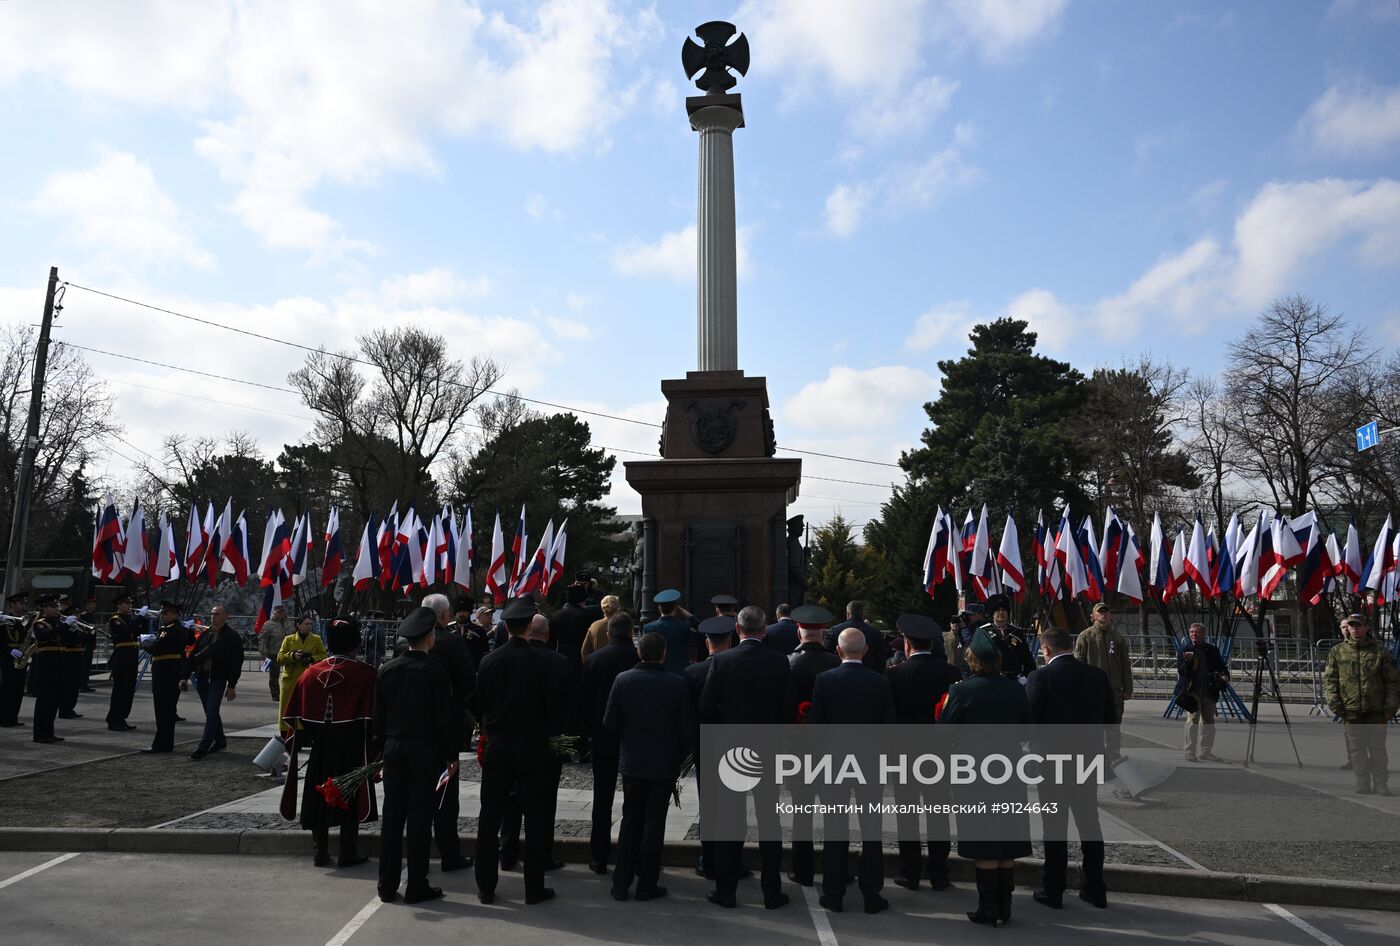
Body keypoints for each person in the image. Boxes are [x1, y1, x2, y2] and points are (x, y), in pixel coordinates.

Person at [698, 604, 792, 911]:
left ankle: (726, 891)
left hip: (732, 751)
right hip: (768, 749)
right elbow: (786, 711)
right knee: (769, 821)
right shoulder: (779, 661)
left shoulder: (721, 661)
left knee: (730, 821)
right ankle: (771, 891)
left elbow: (706, 709)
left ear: (737, 629)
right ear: (764, 630)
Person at [940, 628, 1033, 926]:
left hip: (975, 772)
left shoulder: (961, 691)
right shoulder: (1015, 689)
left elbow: (945, 732)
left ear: (972, 660)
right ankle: (1005, 907)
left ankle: (988, 908)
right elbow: (1026, 729)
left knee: (984, 838)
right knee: (1007, 837)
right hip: (1009, 769)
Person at [474, 596, 560, 905]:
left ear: (507, 627)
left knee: (490, 816)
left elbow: (479, 705)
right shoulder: (542, 662)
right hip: (532, 746)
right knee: (535, 818)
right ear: (528, 628)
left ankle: (486, 885)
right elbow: (552, 709)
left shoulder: (489, 661)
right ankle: (534, 888)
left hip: (498, 744)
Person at [1025, 627, 1117, 910]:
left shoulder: (1040, 677)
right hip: (1087, 759)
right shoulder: (1097, 676)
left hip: (1052, 762)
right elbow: (1110, 719)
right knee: (1089, 824)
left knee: (1054, 826)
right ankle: (1095, 888)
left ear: (1046, 649)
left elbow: (1029, 720)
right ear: (1071, 646)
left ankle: (1053, 889)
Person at [807, 627, 897, 915]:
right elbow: (889, 729)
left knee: (835, 828)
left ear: (838, 651)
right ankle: (871, 894)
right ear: (866, 651)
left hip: (834, 763)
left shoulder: (824, 680)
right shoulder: (880, 682)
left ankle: (833, 893)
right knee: (871, 829)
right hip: (869, 763)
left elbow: (815, 727)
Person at [375, 607, 458, 904]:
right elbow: (444, 719)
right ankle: (417, 883)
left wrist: (379, 753)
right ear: (430, 637)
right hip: (425, 750)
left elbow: (378, 717)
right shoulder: (435, 671)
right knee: (420, 817)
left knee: (392, 816)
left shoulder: (387, 669)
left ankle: (386, 884)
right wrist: (451, 755)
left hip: (394, 747)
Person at [604, 631, 693, 902]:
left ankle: (621, 882)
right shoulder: (676, 684)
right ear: (664, 654)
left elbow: (610, 722)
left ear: (639, 653)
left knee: (630, 819)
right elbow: (686, 728)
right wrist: (678, 755)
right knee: (654, 824)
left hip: (633, 761)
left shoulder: (623, 680)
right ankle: (647, 883)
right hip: (663, 763)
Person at [281, 618, 377, 868]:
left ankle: (320, 851)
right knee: (350, 794)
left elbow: (296, 716)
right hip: (351, 745)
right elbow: (373, 717)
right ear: (355, 643)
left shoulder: (311, 673)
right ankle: (348, 851)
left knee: (318, 795)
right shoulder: (365, 673)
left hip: (320, 745)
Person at [393, 592, 476, 872]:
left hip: (405, 727)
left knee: (408, 799)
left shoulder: (401, 642)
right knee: (444, 797)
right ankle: (449, 853)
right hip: (442, 730)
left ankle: (412, 860)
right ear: (443, 615)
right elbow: (468, 684)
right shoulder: (452, 642)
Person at [887, 613, 961, 892]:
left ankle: (910, 872)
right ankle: (939, 873)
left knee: (907, 815)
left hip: (904, 754)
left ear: (907, 645)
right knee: (938, 813)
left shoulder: (894, 674)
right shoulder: (951, 674)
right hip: (938, 754)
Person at [500, 614, 574, 873]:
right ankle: (541, 854)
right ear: (547, 634)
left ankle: (507, 850)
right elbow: (568, 703)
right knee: (544, 802)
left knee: (511, 800)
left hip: (510, 739)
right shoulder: (559, 662)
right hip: (547, 740)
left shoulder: (501, 658)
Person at [579, 611, 640, 875]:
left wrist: (589, 733)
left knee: (602, 799)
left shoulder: (594, 660)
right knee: (635, 802)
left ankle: (599, 856)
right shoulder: (639, 659)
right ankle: (632, 857)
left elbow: (585, 702)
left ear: (608, 633)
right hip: (633, 739)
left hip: (603, 736)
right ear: (631, 633)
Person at [785, 604, 839, 887]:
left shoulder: (787, 663)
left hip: (798, 747)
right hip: (831, 747)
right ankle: (836, 869)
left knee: (801, 812)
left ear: (799, 632)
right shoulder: (836, 663)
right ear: (823, 632)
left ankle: (802, 869)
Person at [1324, 613, 1400, 796]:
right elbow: (1330, 681)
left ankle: (1381, 783)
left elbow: (1392, 682)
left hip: (1376, 710)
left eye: (1358, 625)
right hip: (1350, 710)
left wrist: (1391, 707)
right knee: (1357, 749)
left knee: (1377, 749)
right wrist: (1335, 705)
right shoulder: (1337, 652)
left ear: (1366, 627)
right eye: (1351, 625)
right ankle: (1362, 782)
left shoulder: (1380, 652)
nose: (1354, 629)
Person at [686, 616, 737, 881]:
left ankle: (709, 860)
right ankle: (733, 861)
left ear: (707, 643)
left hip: (705, 745)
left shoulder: (692, 673)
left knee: (708, 806)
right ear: (730, 641)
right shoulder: (739, 670)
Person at [1074, 603, 1132, 761]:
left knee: (1114, 725)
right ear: (1092, 616)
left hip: (1114, 690)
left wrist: (1128, 688)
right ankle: (1095, 755)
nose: (1103, 615)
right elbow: (1078, 664)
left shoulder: (1117, 638)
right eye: (1100, 612)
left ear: (1110, 616)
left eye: (1106, 612)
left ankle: (1113, 755)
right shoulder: (1085, 637)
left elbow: (1125, 664)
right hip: (1093, 691)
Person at [187, 605, 242, 760]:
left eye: (217, 614)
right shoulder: (205, 634)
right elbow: (194, 655)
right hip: (202, 677)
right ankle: (220, 740)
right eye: (212, 614)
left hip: (217, 679)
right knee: (210, 713)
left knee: (211, 712)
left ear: (225, 616)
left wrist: (232, 685)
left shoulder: (232, 636)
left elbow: (236, 662)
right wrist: (184, 676)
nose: (213, 616)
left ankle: (203, 746)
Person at [142, 600, 192, 754]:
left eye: (165, 613)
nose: (162, 615)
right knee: (167, 711)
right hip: (170, 672)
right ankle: (165, 743)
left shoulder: (170, 630)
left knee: (163, 710)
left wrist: (145, 642)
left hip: (165, 673)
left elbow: (156, 648)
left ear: (174, 614)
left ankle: (161, 744)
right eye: (161, 613)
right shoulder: (176, 629)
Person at [1177, 622, 1229, 762]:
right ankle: (1190, 751)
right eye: (1192, 632)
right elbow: (1181, 671)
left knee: (1208, 722)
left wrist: (1225, 675)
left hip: (1209, 690)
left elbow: (1221, 666)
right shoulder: (1184, 650)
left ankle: (1205, 752)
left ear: (1204, 634)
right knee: (1192, 720)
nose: (1194, 634)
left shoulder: (1212, 650)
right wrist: (1187, 661)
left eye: (1197, 632)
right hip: (1192, 690)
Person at [278, 614, 327, 738]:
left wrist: (311, 658)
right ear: (298, 625)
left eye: (311, 624)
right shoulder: (288, 639)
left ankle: (304, 735)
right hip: (290, 678)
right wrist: (293, 656)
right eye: (306, 624)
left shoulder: (316, 639)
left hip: (308, 678)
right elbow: (280, 657)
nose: (309, 626)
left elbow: (323, 655)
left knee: (306, 706)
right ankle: (286, 733)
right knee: (287, 707)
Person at [29, 594, 65, 743]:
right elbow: (45, 636)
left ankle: (49, 731)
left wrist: (73, 628)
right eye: (53, 606)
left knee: (54, 699)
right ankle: (40, 734)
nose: (57, 609)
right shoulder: (40, 623)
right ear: (44, 607)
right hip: (46, 662)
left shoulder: (57, 622)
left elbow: (68, 638)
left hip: (58, 662)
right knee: (44, 699)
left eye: (57, 606)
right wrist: (65, 626)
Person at [979, 594, 1036, 682]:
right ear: (992, 613)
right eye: (998, 610)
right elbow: (977, 659)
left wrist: (1025, 678)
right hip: (991, 680)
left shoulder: (1017, 632)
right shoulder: (983, 632)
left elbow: (1027, 658)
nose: (1001, 612)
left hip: (1014, 679)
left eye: (1004, 610)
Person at [104, 593, 140, 731]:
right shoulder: (115, 620)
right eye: (126, 603)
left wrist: (144, 619)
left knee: (129, 691)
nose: (129, 605)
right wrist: (140, 618)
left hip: (131, 657)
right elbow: (125, 631)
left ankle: (122, 718)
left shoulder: (130, 618)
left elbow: (138, 631)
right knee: (120, 690)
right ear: (119, 605)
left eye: (130, 603)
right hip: (121, 658)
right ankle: (114, 719)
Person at [824, 600, 889, 674]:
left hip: (839, 674)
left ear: (848, 614)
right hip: (869, 675)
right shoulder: (876, 633)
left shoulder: (835, 631)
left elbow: (827, 655)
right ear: (862, 614)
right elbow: (881, 659)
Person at [57, 595, 93, 719]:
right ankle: (64, 710)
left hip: (78, 655)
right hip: (67, 655)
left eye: (78, 614)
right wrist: (71, 629)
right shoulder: (64, 625)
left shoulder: (80, 625)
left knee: (75, 684)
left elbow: (87, 638)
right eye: (74, 614)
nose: (77, 616)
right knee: (67, 685)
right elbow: (63, 638)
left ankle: (70, 708)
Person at [548, 582, 594, 676]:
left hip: (560, 655)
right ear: (582, 599)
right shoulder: (586, 616)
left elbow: (551, 642)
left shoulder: (556, 616)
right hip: (580, 657)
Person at [643, 589, 692, 674]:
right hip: (679, 675)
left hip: (657, 674)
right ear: (676, 608)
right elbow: (701, 633)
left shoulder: (648, 628)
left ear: (659, 608)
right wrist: (691, 617)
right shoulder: (684, 627)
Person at [1, 591, 30, 728]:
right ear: (12, 605)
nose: (23, 605)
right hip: (7, 658)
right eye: (20, 603)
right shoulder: (3, 621)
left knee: (18, 690)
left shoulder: (24, 621)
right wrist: (9, 650)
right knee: (7, 689)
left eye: (24, 603)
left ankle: (13, 717)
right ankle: (3, 718)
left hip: (21, 657)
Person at [258, 603, 290, 701]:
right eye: (279, 612)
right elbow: (262, 639)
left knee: (289, 674)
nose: (281, 614)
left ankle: (288, 694)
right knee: (274, 676)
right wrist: (263, 653)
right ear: (275, 613)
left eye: (283, 612)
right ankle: (275, 695)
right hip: (273, 654)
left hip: (287, 653)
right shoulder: (268, 624)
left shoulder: (287, 623)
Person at [580, 595, 622, 660]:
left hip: (598, 663)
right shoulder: (622, 624)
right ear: (617, 608)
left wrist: (590, 664)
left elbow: (584, 652)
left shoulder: (594, 625)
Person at [78, 592, 99, 692]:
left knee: (87, 665)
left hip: (90, 643)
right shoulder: (83, 615)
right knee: (83, 665)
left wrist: (94, 643)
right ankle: (81, 684)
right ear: (87, 604)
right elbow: (82, 630)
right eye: (91, 603)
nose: (93, 605)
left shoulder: (92, 615)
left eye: (94, 604)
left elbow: (93, 632)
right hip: (85, 643)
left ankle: (85, 684)